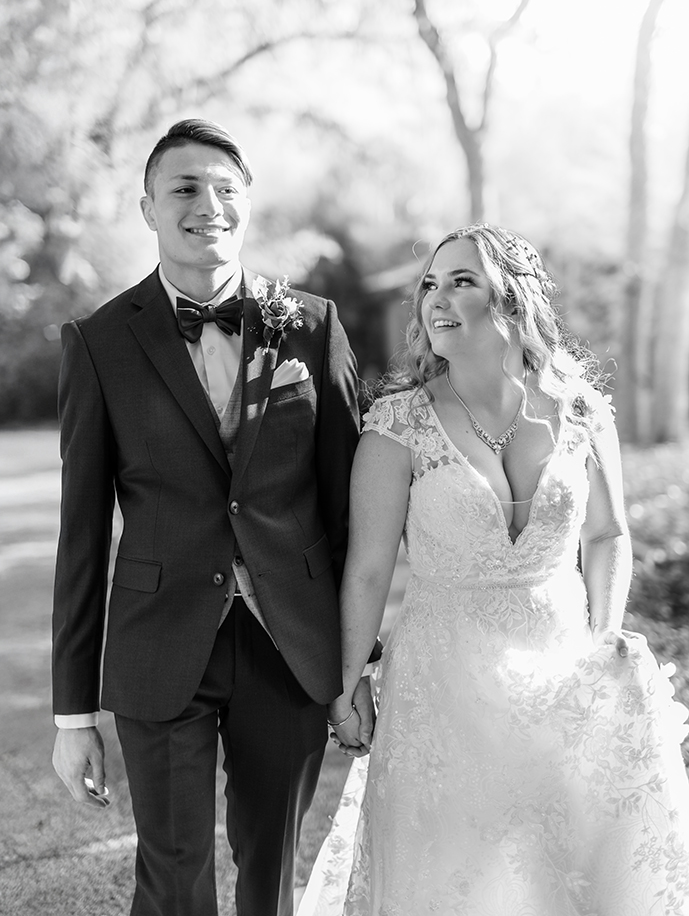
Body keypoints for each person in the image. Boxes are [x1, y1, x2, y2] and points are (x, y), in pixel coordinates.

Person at [299, 224, 689, 915]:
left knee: (561, 863)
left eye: (461, 281)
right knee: (450, 870)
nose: (435, 299)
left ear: (512, 300)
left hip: (564, 670)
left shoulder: (581, 410)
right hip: (440, 683)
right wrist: (345, 683)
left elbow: (606, 535)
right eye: (429, 284)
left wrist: (604, 643)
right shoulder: (397, 425)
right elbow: (366, 568)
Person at [51, 118, 376, 916]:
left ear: (248, 206)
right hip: (159, 645)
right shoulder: (97, 343)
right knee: (173, 874)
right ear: (149, 208)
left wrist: (353, 666)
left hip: (287, 643)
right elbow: (82, 534)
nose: (209, 205)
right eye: (185, 188)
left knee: (270, 874)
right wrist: (72, 713)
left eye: (226, 188)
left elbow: (347, 511)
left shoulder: (314, 325)